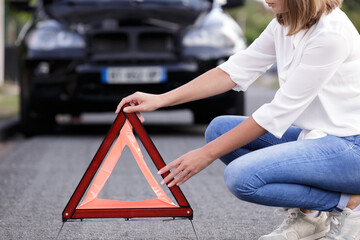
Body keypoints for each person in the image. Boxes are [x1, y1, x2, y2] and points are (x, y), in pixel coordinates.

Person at [116, 0, 360, 238]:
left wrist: (206, 154)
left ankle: (351, 202)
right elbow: (232, 71)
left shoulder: (331, 35)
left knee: (242, 178)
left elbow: (276, 113)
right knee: (219, 129)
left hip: (351, 148)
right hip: (318, 140)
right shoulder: (284, 23)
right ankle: (310, 217)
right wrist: (161, 100)